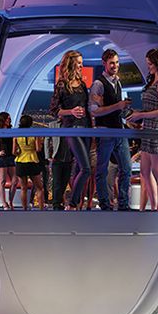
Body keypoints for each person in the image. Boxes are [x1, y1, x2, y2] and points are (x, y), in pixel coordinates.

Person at [127, 48, 158, 211]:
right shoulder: (152, 82)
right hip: (148, 129)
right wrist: (140, 120)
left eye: (150, 63)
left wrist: (141, 115)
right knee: (145, 171)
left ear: (157, 63)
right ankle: (154, 206)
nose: (148, 66)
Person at [89, 49, 132, 211]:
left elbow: (116, 109)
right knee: (101, 170)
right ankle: (105, 204)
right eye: (112, 63)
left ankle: (123, 203)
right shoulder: (98, 84)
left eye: (117, 62)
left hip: (119, 131)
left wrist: (128, 117)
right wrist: (117, 105)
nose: (115, 66)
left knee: (126, 169)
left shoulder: (118, 82)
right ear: (104, 63)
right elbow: (93, 110)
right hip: (105, 132)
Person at [49, 50, 91, 210]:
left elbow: (87, 108)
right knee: (86, 169)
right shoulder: (61, 85)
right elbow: (53, 110)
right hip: (71, 128)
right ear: (71, 63)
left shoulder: (82, 84)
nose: (82, 65)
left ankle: (77, 203)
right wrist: (70, 111)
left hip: (86, 129)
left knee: (81, 169)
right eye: (79, 63)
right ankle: (71, 204)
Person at [13, 114, 44, 210]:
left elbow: (14, 152)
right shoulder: (35, 134)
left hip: (21, 161)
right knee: (39, 188)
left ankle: (24, 209)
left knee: (23, 188)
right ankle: (41, 209)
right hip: (32, 160)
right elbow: (38, 149)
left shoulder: (16, 135)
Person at [45, 119, 72, 210]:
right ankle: (56, 204)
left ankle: (58, 202)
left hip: (69, 158)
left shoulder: (70, 124)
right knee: (56, 182)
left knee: (64, 182)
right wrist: (48, 155)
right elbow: (47, 140)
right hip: (56, 158)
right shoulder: (52, 124)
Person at [0, 111, 18, 210]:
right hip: (1, 158)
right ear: (3, 119)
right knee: (2, 181)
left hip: (10, 157)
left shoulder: (11, 130)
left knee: (15, 180)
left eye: (9, 118)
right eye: (8, 118)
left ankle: (10, 201)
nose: (9, 120)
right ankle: (4, 203)